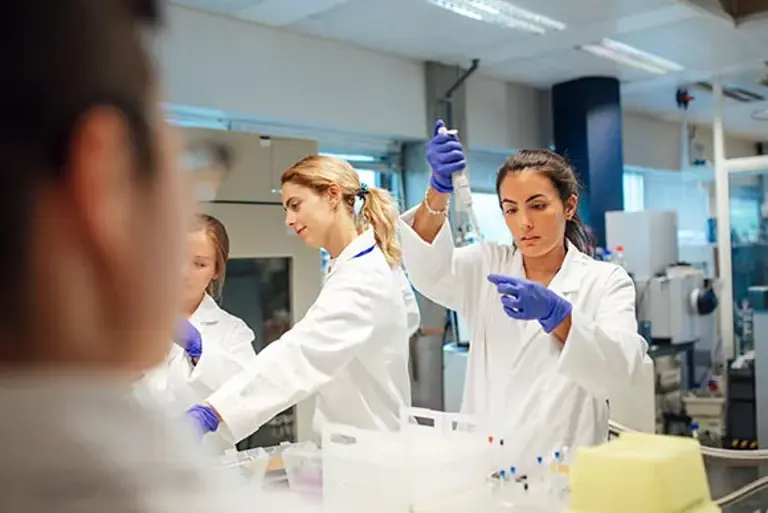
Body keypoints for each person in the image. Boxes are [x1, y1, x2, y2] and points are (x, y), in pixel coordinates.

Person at [0, 1, 257, 511]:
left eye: (200, 262)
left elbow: (248, 385)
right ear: (106, 182)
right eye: (185, 165)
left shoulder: (229, 333)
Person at [398, 120, 648, 466]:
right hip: (484, 470)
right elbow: (429, 272)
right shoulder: (488, 265)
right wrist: (438, 189)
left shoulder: (606, 281)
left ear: (569, 206)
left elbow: (621, 372)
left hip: (564, 475)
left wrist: (559, 316)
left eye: (538, 206)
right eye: (511, 209)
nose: (524, 223)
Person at [187, 156, 412, 444]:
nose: (289, 220)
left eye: (295, 205)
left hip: (369, 450)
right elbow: (406, 320)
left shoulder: (362, 277)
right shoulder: (361, 264)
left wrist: (213, 410)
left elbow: (298, 354)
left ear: (332, 195)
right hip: (360, 444)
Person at [136, 214, 258, 453]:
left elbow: (251, 397)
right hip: (136, 464)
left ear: (216, 270)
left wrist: (201, 352)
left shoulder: (233, 332)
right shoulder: (132, 318)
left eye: (199, 264)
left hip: (208, 469)